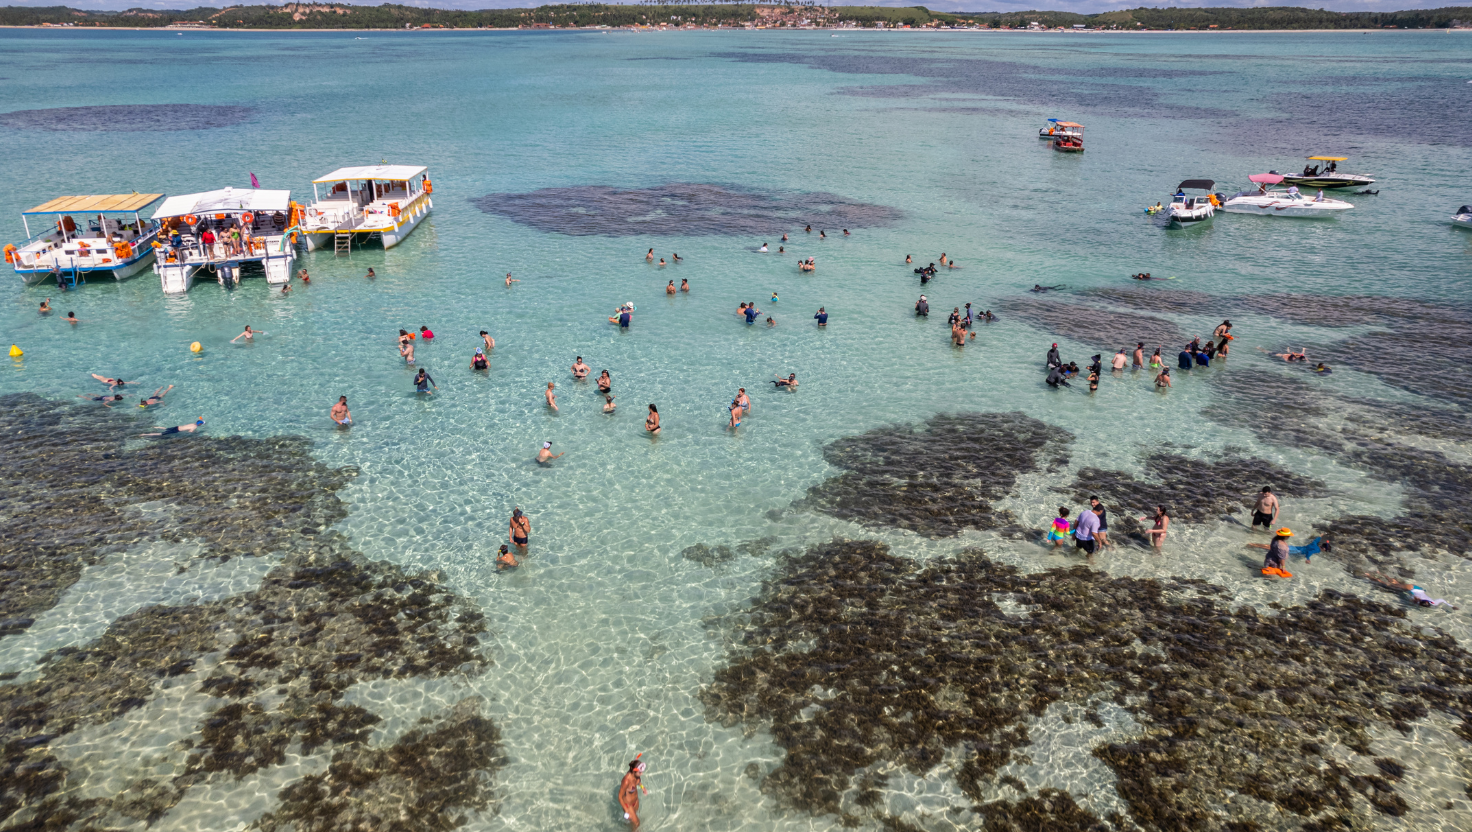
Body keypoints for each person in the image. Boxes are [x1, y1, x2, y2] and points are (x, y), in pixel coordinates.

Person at [1365, 573, 1456, 609]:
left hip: (1417, 588)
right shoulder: (1417, 601)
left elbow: (1442, 600)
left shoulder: (1434, 603)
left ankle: (1383, 574)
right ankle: (1369, 576)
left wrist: (1451, 606)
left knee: (1395, 584)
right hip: (1411, 588)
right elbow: (1408, 599)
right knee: (1388, 585)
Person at [619, 759, 645, 830]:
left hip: (635, 802)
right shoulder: (626, 781)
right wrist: (626, 809)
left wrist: (643, 788)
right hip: (628, 805)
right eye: (640, 772)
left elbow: (639, 781)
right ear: (634, 771)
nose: (641, 774)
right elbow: (620, 797)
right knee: (637, 824)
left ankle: (626, 827)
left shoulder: (636, 775)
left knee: (632, 822)